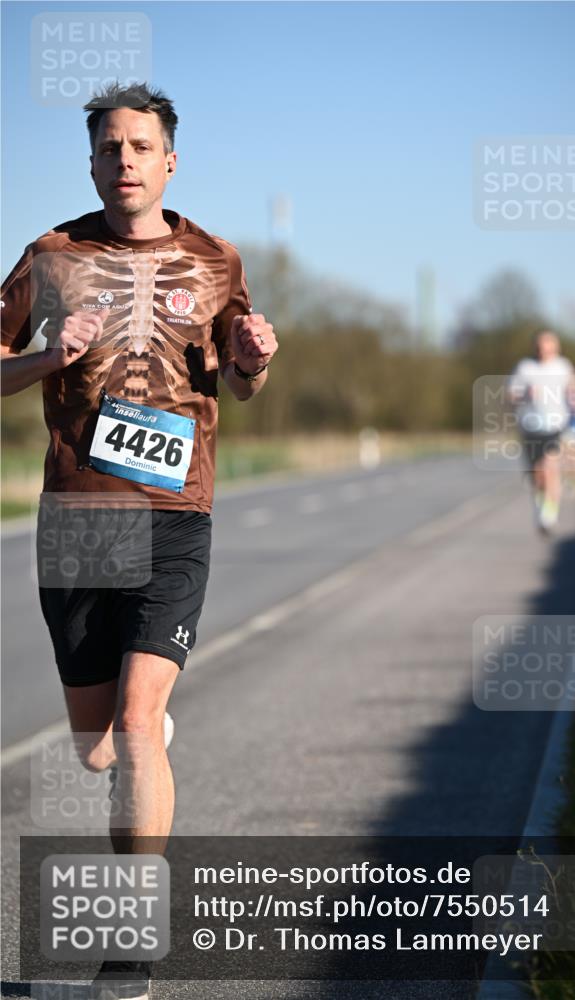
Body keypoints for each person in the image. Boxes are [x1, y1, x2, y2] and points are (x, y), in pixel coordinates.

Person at [0, 82, 278, 999]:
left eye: (140, 146)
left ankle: (131, 938)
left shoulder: (215, 260)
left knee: (132, 725)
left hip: (175, 513)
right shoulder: (50, 256)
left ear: (169, 160)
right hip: (79, 515)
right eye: (109, 146)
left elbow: (239, 385)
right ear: (91, 161)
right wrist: (50, 354)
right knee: (95, 746)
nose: (124, 159)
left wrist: (253, 362)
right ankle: (139, 727)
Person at [507, 331, 575, 533]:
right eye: (540, 345)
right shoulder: (525, 367)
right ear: (535, 346)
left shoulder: (563, 366)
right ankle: (540, 506)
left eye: (548, 345)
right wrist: (524, 394)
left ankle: (550, 514)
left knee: (550, 468)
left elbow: (572, 392)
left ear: (556, 347)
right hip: (530, 425)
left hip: (555, 425)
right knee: (537, 475)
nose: (544, 349)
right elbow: (510, 396)